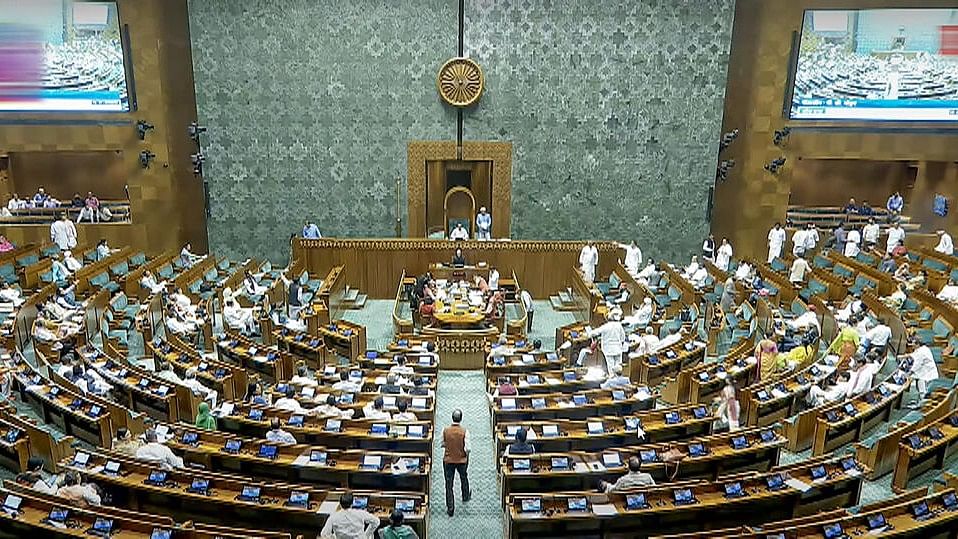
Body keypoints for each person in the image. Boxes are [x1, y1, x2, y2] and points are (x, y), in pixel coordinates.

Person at [441, 409, 471, 516]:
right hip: (461, 460)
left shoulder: (445, 430)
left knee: (449, 484)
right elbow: (467, 449)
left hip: (448, 460)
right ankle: (465, 496)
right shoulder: (465, 431)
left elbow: (442, 444)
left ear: (452, 418)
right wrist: (466, 458)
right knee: (464, 477)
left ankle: (450, 508)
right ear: (461, 419)